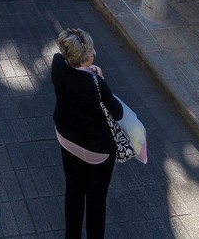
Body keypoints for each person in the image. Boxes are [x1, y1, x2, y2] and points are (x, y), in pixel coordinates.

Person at [51, 28, 124, 239]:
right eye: (90, 51)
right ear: (83, 57)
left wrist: (88, 71)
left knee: (73, 190)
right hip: (97, 151)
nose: (93, 53)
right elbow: (117, 112)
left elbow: (72, 73)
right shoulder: (96, 84)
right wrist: (99, 78)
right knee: (96, 200)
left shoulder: (57, 65)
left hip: (67, 139)